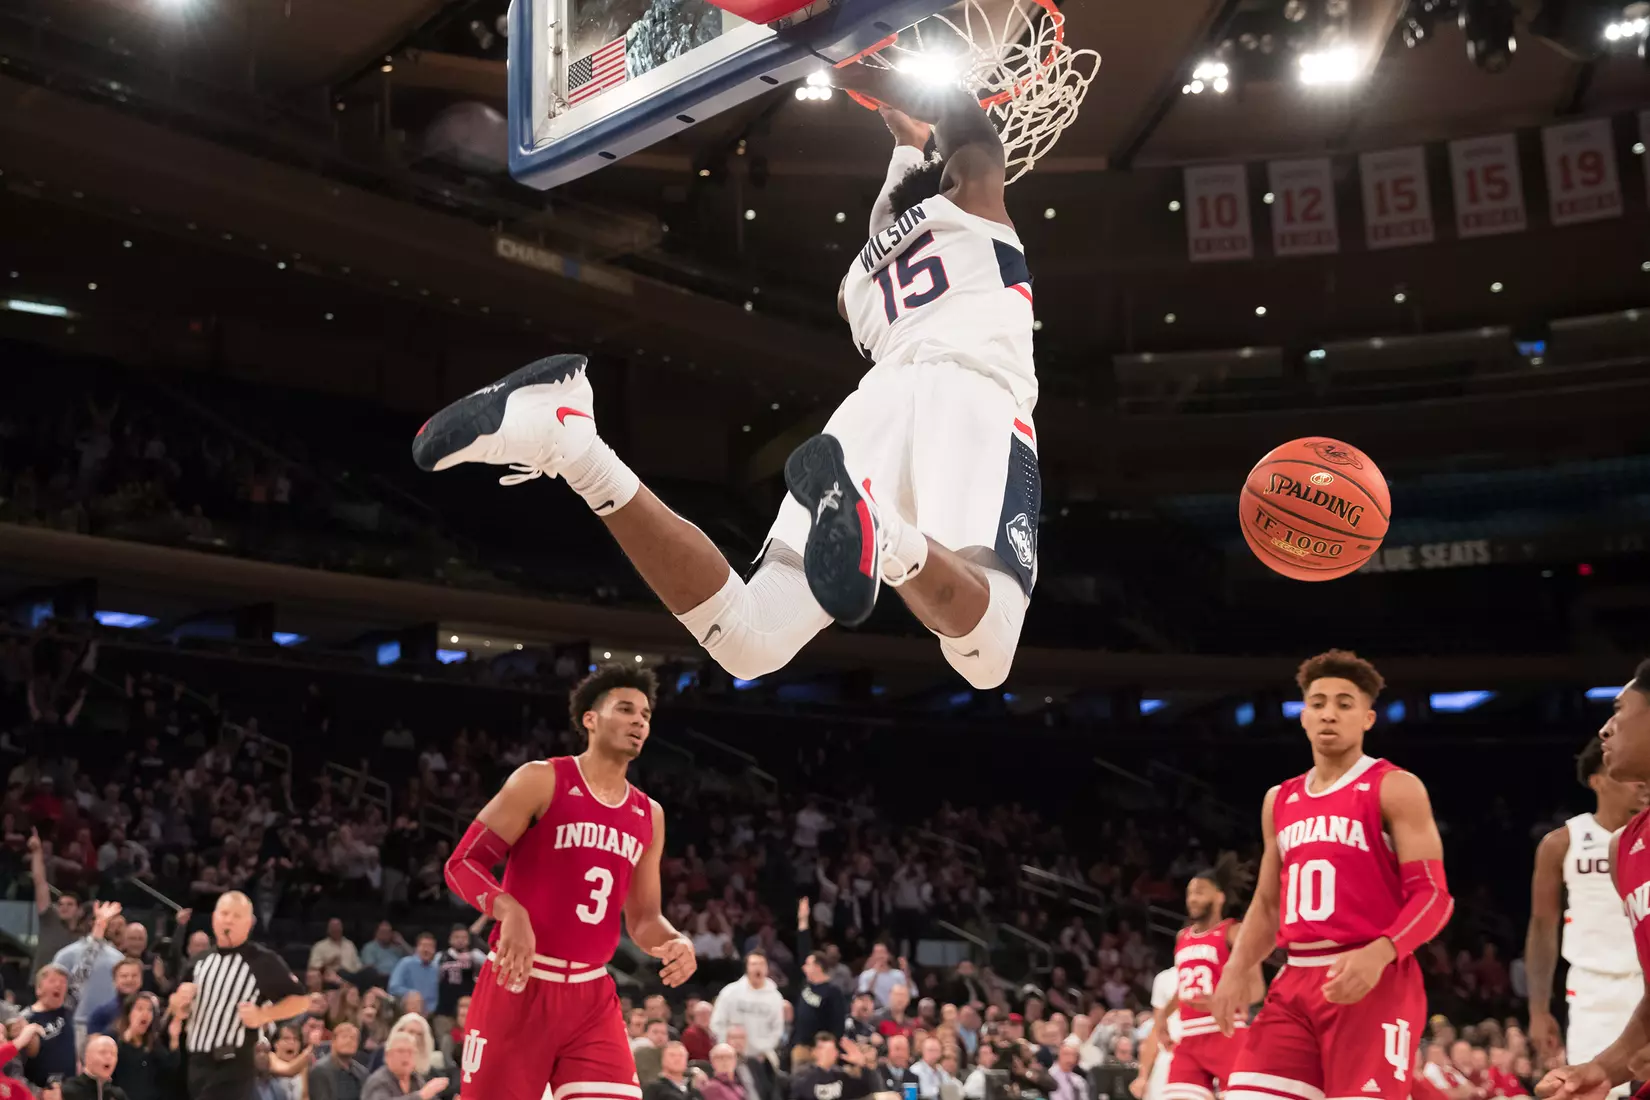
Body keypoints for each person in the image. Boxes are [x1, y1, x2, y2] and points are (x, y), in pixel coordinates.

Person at [414, 70, 1039, 693]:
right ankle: (889, 538)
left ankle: (572, 443)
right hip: (970, 393)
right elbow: (969, 138)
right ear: (950, 187)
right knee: (987, 656)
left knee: (751, 637)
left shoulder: (860, 283)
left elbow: (910, 197)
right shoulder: (966, 212)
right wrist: (884, 68)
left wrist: (898, 116)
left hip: (871, 411)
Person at [442, 665, 696, 1100]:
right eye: (626, 709)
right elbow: (462, 863)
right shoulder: (541, 779)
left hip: (590, 996)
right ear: (590, 720)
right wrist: (507, 908)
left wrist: (675, 941)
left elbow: (644, 920)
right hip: (518, 984)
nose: (640, 721)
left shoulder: (648, 814)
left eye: (647, 714)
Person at [1210, 650, 1453, 1100]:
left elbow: (1435, 896)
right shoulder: (1278, 800)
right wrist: (1235, 970)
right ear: (1303, 716)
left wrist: (1381, 952)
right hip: (1295, 979)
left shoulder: (1395, 786)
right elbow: (1267, 904)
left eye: (1344, 703)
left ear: (1367, 718)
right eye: (1318, 702)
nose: (1329, 713)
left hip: (1372, 978)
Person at [1538, 662, 1650, 1099]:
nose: (1605, 729)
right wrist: (1604, 1069)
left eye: (1619, 711)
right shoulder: (1624, 847)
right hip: (1594, 993)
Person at [1525, 735, 1642, 1091]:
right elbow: (1543, 927)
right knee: (1589, 1089)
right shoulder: (1563, 843)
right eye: (1626, 775)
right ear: (1598, 781)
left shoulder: (1646, 837)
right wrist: (1538, 1010)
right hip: (1593, 989)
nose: (1640, 784)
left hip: (1645, 981)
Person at [174, 890, 309, 1100]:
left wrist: (264, 1015)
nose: (229, 920)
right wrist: (179, 1004)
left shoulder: (262, 960)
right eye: (224, 913)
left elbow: (300, 1001)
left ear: (250, 923)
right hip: (196, 1061)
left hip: (233, 1063)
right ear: (214, 918)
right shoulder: (199, 960)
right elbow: (178, 1009)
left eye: (237, 916)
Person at [1152, 854, 1262, 1100]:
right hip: (1189, 1038)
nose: (1192, 898)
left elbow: (1256, 989)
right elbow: (1186, 988)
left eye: (1200, 892)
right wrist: (1162, 1017)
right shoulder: (1182, 937)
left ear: (1219, 897)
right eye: (1190, 892)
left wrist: (1222, 1000)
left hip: (1227, 1033)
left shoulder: (1234, 932)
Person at [711, 953, 785, 1058]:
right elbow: (717, 1023)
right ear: (747, 968)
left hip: (762, 1054)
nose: (758, 968)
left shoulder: (775, 997)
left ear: (767, 968)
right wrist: (726, 1046)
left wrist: (764, 1049)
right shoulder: (730, 992)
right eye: (754, 964)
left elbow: (777, 1029)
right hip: (732, 1053)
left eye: (762, 964)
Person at [111, 992, 182, 1100]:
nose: (145, 1014)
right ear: (129, 1013)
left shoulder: (153, 1043)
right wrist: (128, 1035)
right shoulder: (114, 1039)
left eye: (150, 1010)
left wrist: (174, 1039)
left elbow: (170, 1069)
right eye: (140, 1009)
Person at [30, 830, 81, 978]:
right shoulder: (49, 917)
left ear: (79, 911)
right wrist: (37, 853)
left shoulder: (83, 936)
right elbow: (39, 882)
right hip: (38, 985)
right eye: (61, 904)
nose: (63, 907)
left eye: (69, 904)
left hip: (67, 990)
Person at [20, 964, 77, 1092]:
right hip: (40, 1092)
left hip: (69, 1091)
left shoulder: (68, 1013)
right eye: (52, 981)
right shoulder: (25, 1019)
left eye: (63, 982)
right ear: (39, 989)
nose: (59, 985)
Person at [361, 1033, 446, 1100]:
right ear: (387, 1056)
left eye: (410, 1052)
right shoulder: (378, 1080)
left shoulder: (416, 1079)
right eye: (401, 1051)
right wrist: (420, 1096)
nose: (406, 1056)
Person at [790, 1033, 873, 1100]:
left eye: (831, 1050)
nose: (828, 1054)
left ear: (836, 1053)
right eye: (823, 1049)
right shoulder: (804, 1076)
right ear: (814, 1052)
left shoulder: (841, 1076)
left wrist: (861, 1064)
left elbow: (866, 1090)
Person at [310, 1022, 369, 1100]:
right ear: (333, 1042)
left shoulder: (362, 1072)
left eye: (353, 1038)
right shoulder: (320, 1070)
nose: (349, 1041)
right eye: (344, 1037)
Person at [61, 1033, 128, 1100]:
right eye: (102, 1052)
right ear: (86, 1057)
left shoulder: (117, 1095)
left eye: (113, 1053)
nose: (109, 1057)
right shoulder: (68, 1091)